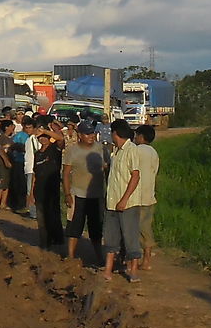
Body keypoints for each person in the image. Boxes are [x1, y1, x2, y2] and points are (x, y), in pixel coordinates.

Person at [102, 119, 144, 283]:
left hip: (127, 202)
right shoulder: (116, 151)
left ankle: (133, 270)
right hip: (112, 201)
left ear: (115, 133)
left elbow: (135, 175)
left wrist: (124, 199)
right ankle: (107, 269)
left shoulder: (131, 149)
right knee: (111, 236)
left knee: (130, 236)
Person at [63, 121, 107, 266]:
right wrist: (67, 194)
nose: (91, 136)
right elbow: (66, 173)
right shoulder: (72, 150)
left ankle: (99, 257)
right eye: (87, 133)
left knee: (96, 227)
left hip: (96, 195)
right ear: (80, 135)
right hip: (78, 194)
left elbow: (107, 169)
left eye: (92, 133)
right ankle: (70, 256)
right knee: (75, 226)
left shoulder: (101, 148)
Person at [30, 125, 66, 249]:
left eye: (45, 137)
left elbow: (60, 139)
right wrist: (30, 193)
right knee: (41, 218)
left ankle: (56, 240)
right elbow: (35, 174)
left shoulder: (54, 149)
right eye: (41, 137)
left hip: (52, 189)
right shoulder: (37, 154)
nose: (43, 139)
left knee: (53, 215)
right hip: (39, 190)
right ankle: (44, 242)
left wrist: (45, 131)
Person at [134, 125, 161, 271]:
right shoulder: (153, 152)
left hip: (137, 197)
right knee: (146, 228)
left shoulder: (136, 151)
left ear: (141, 136)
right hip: (149, 195)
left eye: (137, 135)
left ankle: (140, 260)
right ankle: (147, 260)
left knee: (137, 229)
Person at [0, 119, 15, 210]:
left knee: (6, 184)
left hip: (9, 163)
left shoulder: (10, 139)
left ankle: (3, 203)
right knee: (1, 182)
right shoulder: (1, 138)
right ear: (6, 127)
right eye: (11, 126)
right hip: (2, 164)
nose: (12, 128)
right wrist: (6, 161)